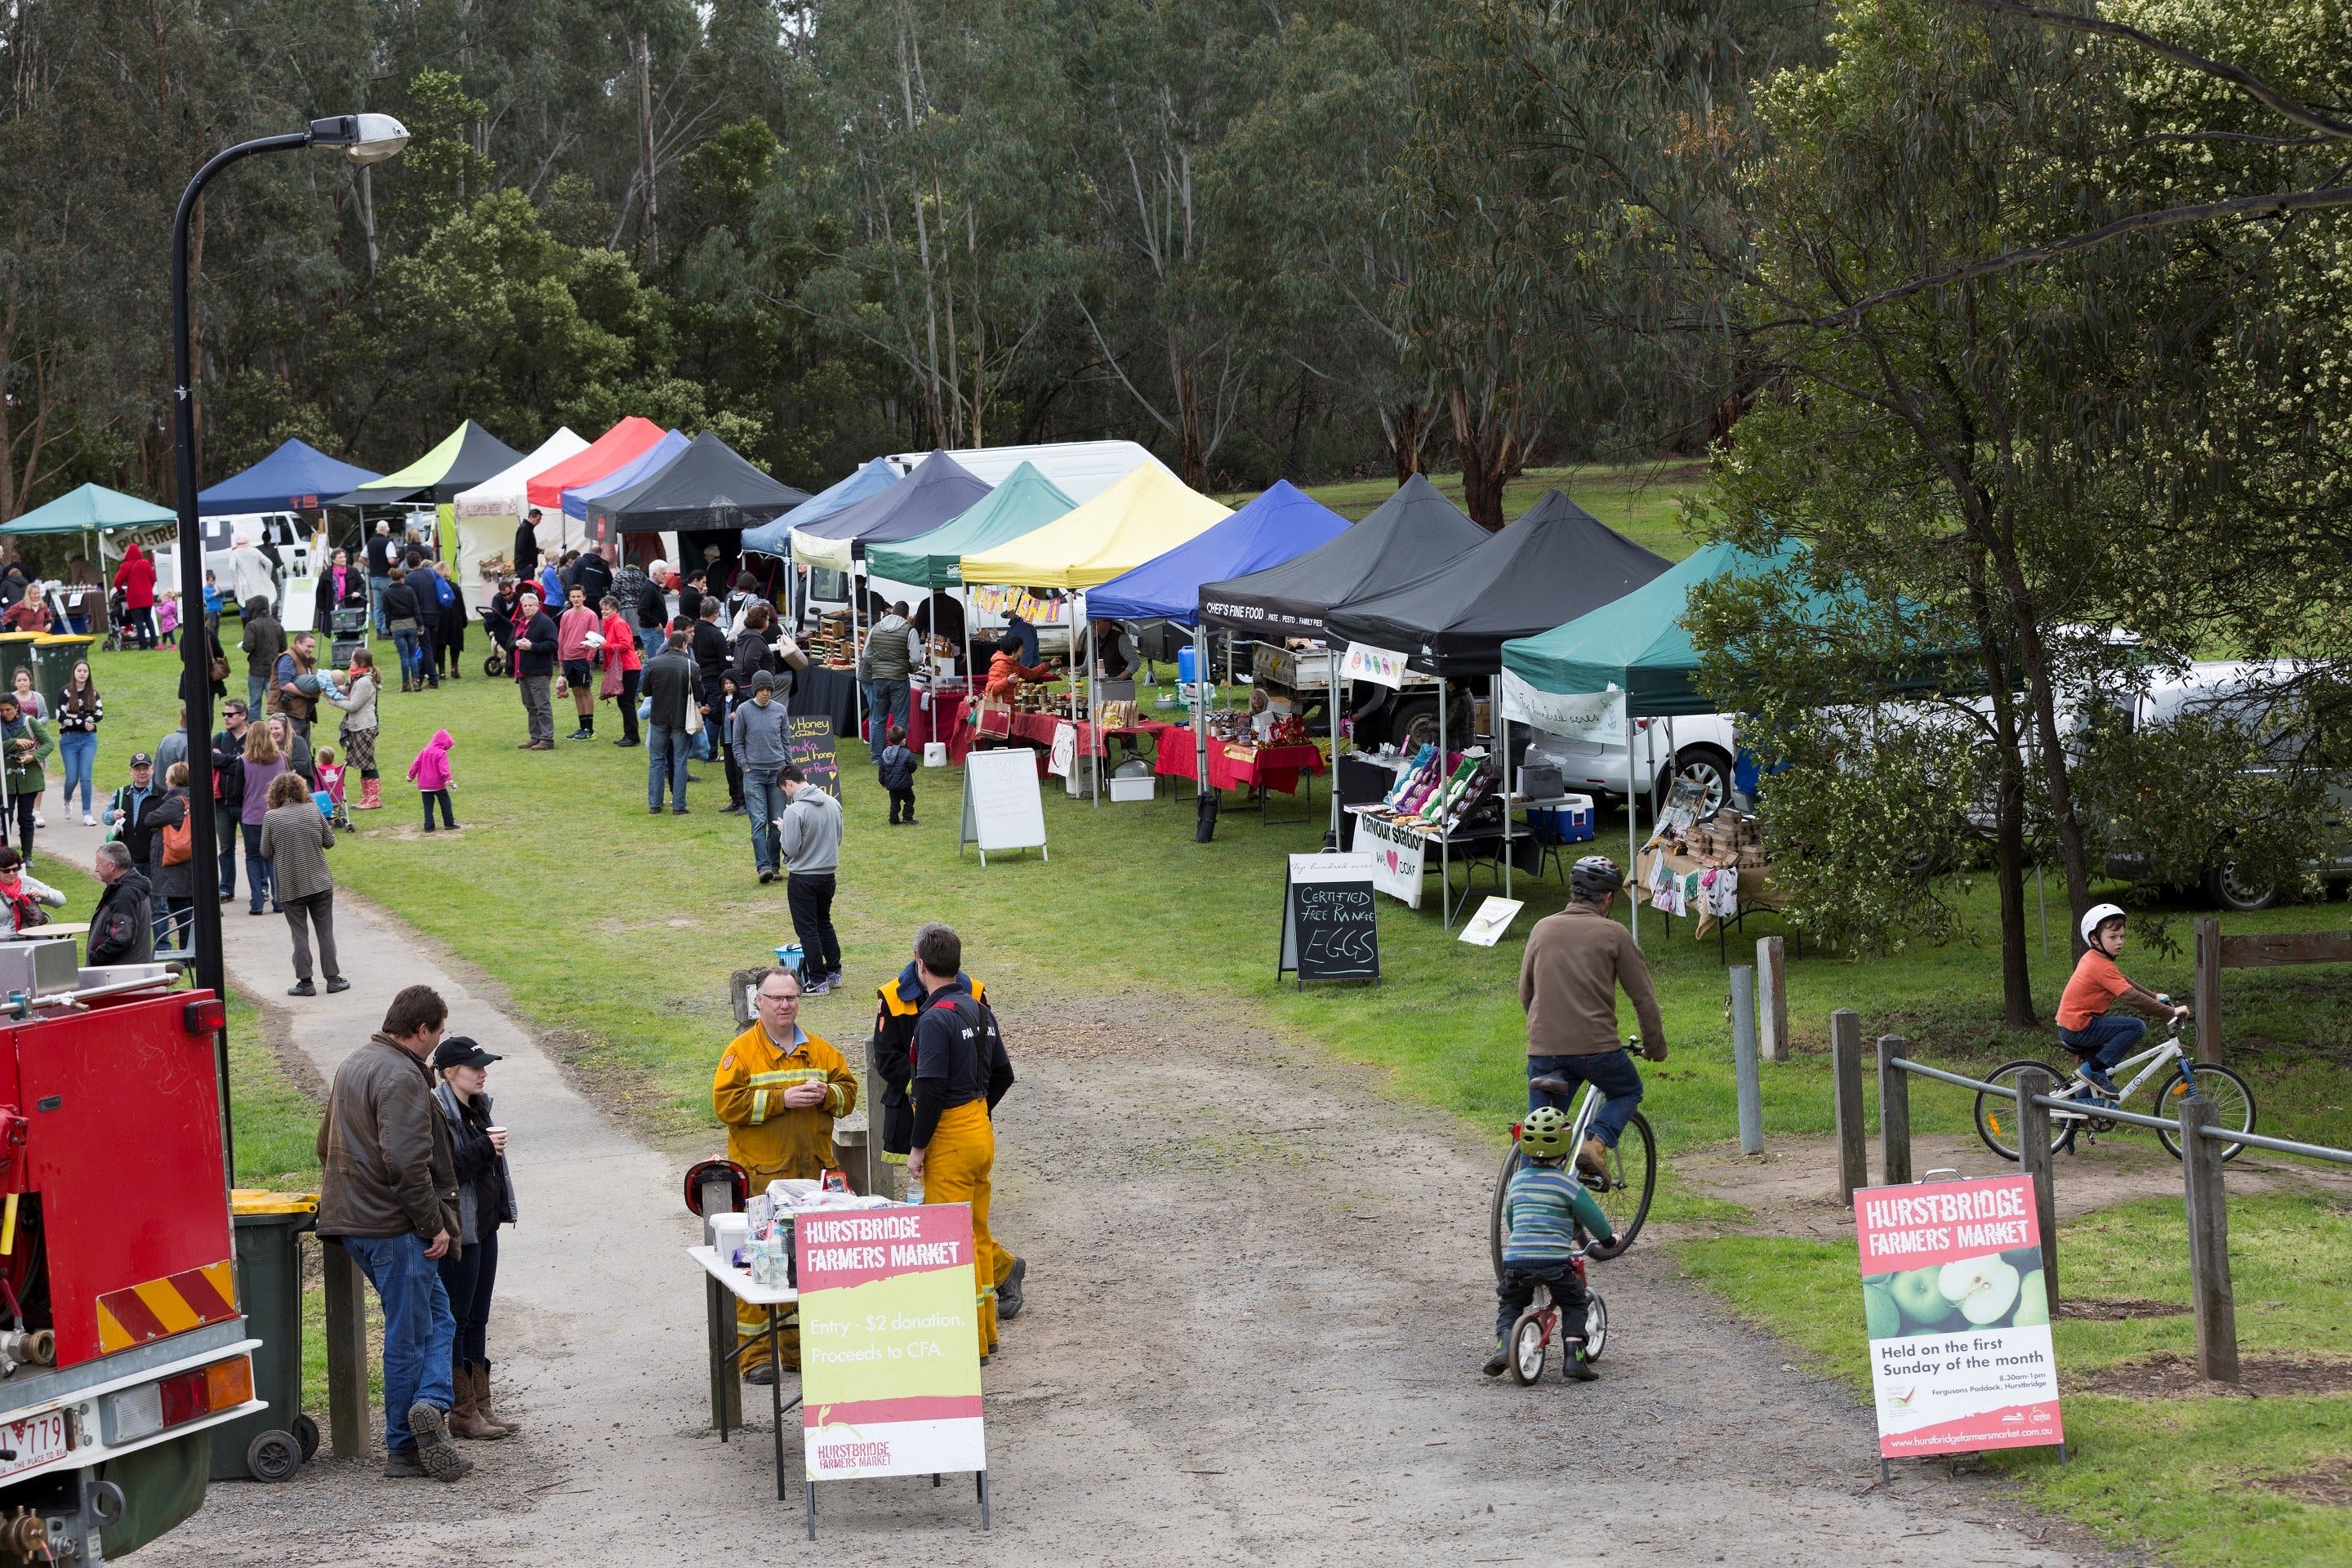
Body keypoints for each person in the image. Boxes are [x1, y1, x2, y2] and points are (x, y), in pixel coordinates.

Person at [317, 984, 471, 1482]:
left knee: (438, 1319)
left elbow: (325, 1146)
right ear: (422, 1030)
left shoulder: (354, 1064)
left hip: (353, 1220)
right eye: (439, 1032)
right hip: (395, 1226)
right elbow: (407, 1163)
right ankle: (406, 1445)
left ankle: (429, 1407)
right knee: (409, 1334)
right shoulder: (403, 1076)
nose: (438, 1041)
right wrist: (433, 1225)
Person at [711, 967, 856, 1382]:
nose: (785, 1004)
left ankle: (797, 1352)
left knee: (804, 1267)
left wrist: (827, 1095)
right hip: (762, 1180)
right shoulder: (740, 1053)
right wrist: (782, 1100)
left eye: (791, 997)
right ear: (759, 1002)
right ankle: (756, 1357)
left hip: (811, 1177)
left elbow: (848, 1094)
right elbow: (726, 1106)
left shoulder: (822, 1052)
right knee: (758, 1263)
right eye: (776, 998)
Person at [906, 921, 1019, 1359]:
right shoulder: (978, 1009)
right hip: (979, 1129)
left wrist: (917, 1149)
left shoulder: (935, 1020)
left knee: (952, 1242)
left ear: (920, 964)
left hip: (951, 1136)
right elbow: (1003, 1075)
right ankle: (986, 1334)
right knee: (975, 1230)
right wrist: (979, 1113)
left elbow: (930, 1089)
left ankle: (967, 1345)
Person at [1519, 855, 1668, 1178]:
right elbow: (1643, 998)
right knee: (1627, 1090)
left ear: (1574, 891)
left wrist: (1542, 1032)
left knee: (1540, 1136)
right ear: (1608, 897)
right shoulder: (1614, 934)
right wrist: (1655, 1048)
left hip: (1543, 1052)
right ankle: (1596, 1144)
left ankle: (1524, 1213)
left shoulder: (1542, 929)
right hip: (1597, 1050)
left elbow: (1526, 993)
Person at [429, 1036, 518, 1440]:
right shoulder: (437, 1112)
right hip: (458, 1229)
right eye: (474, 1067)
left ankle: (481, 1404)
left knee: (479, 1316)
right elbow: (443, 1173)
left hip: (484, 1224)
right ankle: (461, 1410)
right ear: (449, 1073)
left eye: (485, 1066)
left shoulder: (479, 1108)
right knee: (459, 1319)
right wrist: (485, 1147)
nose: (483, 1073)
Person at [1483, 1105, 1612, 1381]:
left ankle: (1504, 1346)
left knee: (1511, 1303)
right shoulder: (1567, 1184)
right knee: (1575, 1301)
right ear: (1566, 1148)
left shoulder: (1517, 1181)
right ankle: (1575, 1357)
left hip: (1516, 1261)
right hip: (1553, 1262)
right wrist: (1608, 1239)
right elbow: (1594, 1219)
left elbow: (1511, 1218)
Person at [2059, 904, 2188, 1102]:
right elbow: (2131, 996)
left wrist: (2154, 996)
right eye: (2113, 937)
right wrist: (2170, 1013)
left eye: (2122, 936)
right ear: (2095, 939)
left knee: (2106, 1070)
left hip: (2074, 1025)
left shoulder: (2097, 959)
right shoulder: (2100, 966)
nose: (2119, 942)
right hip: (2079, 1027)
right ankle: (2092, 1070)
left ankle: (2078, 1111)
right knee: (2136, 1027)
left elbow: (2124, 980)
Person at [257, 769, 345, 996]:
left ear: (274, 793)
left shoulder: (271, 817)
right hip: (319, 880)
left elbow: (265, 851)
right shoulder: (313, 809)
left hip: (290, 884)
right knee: (325, 931)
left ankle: (305, 982)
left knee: (299, 933)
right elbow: (330, 841)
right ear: (301, 789)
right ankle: (333, 979)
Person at [773, 764, 843, 992]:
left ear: (789, 783)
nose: (786, 794)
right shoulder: (833, 803)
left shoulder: (794, 811)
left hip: (803, 877)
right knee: (824, 922)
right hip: (828, 875)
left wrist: (785, 831)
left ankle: (817, 979)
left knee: (808, 930)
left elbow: (791, 849)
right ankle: (834, 972)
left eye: (785, 790)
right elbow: (838, 838)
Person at [731, 670, 791, 881]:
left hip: (777, 773)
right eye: (762, 689)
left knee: (777, 823)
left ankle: (774, 867)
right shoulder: (744, 710)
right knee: (758, 821)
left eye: (769, 689)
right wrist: (745, 766)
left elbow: (786, 741)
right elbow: (737, 742)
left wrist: (789, 769)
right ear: (755, 690)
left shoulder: (780, 710)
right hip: (754, 773)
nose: (766, 693)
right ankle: (763, 867)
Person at [640, 628, 702, 813]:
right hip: (682, 719)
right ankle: (679, 805)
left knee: (656, 761)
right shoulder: (691, 666)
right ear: (684, 645)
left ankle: (654, 804)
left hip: (659, 717)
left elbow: (646, 692)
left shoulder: (653, 663)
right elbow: (699, 694)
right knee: (680, 761)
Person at [142, 760, 194, 951]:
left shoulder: (175, 802)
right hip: (191, 867)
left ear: (174, 780)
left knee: (182, 917)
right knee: (191, 913)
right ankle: (195, 952)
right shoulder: (197, 798)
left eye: (167, 777)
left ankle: (188, 954)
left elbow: (150, 819)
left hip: (176, 870)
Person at [323, 648, 381, 811]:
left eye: (352, 659)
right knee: (363, 763)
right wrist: (330, 688)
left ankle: (374, 799)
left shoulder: (365, 681)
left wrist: (331, 700)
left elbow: (353, 705)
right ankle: (367, 797)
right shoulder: (357, 677)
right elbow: (349, 692)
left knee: (367, 763)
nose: (349, 662)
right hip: (356, 726)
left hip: (364, 726)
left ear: (361, 663)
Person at [239, 722, 287, 915]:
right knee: (274, 858)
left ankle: (257, 902)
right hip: (276, 814)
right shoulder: (281, 757)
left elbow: (237, 790)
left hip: (251, 816)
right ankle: (279, 901)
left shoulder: (243, 761)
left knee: (252, 858)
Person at [0, 693, 50, 861]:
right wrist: (14, 742)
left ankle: (27, 856)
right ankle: (5, 856)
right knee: (5, 818)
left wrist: (33, 757)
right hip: (5, 780)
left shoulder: (29, 721)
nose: (5, 713)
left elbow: (49, 743)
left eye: (8, 709)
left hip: (28, 778)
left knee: (26, 818)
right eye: (1, 710)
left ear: (17, 708)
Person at [86, 841, 153, 965]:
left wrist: (95, 957)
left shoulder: (125, 895)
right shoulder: (128, 890)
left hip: (121, 976)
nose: (96, 869)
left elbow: (121, 939)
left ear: (112, 866)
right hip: (129, 971)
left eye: (98, 864)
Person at [509, 588, 558, 751]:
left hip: (538, 671)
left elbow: (553, 645)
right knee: (530, 706)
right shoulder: (522, 622)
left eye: (531, 605)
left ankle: (547, 739)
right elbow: (510, 642)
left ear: (538, 606)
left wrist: (532, 646)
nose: (528, 608)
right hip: (523, 671)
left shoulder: (545, 622)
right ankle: (535, 737)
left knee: (542, 706)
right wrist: (516, 643)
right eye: (525, 606)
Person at [52, 661, 100, 827]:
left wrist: (75, 717)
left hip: (88, 739)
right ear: (74, 673)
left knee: (86, 776)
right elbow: (61, 717)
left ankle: (87, 813)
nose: (82, 673)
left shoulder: (92, 693)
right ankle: (67, 798)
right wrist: (83, 721)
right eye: (79, 670)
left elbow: (99, 714)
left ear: (88, 673)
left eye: (85, 671)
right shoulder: (64, 692)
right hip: (69, 739)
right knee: (72, 778)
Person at [555, 584, 600, 741]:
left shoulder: (591, 615)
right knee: (576, 691)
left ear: (584, 597)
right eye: (573, 596)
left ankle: (590, 729)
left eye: (578, 596)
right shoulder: (566, 615)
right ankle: (582, 727)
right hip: (568, 658)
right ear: (569, 598)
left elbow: (594, 638)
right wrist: (561, 661)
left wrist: (589, 659)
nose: (576, 599)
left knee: (585, 690)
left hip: (582, 658)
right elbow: (561, 639)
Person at [599, 594, 643, 747]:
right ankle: (629, 734)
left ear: (615, 610)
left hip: (628, 667)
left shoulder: (618, 623)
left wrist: (606, 646)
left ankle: (632, 736)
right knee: (624, 702)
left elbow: (626, 645)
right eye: (603, 609)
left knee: (627, 702)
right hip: (623, 667)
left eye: (607, 609)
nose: (604, 612)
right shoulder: (610, 623)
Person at [381, 568, 425, 693]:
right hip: (411, 624)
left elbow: (387, 612)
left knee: (403, 656)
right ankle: (416, 682)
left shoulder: (387, 592)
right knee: (412, 654)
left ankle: (405, 684)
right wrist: (420, 625)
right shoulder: (409, 590)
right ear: (402, 578)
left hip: (397, 626)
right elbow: (416, 609)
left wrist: (388, 627)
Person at [0, 846, 64, 933]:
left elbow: (62, 900)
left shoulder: (28, 883)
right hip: (4, 941)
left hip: (32, 935)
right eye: (6, 871)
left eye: (15, 869)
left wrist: (43, 894)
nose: (11, 873)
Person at [240, 595, 283, 717]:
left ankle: (256, 731)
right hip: (273, 669)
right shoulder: (277, 625)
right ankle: (278, 729)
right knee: (275, 703)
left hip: (256, 670)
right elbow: (283, 647)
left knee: (255, 703)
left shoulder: (252, 625)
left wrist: (244, 644)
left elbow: (248, 647)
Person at [408, 728, 458, 832]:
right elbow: (444, 769)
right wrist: (450, 780)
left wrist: (410, 776)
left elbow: (415, 764)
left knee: (428, 806)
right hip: (438, 785)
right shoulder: (441, 753)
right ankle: (449, 823)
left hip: (424, 785)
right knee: (445, 803)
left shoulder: (424, 751)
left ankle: (429, 826)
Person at [111, 541, 158, 649]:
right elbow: (153, 579)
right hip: (147, 597)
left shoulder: (125, 566)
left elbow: (117, 582)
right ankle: (154, 642)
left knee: (138, 621)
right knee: (148, 619)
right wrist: (148, 588)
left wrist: (121, 591)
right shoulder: (146, 563)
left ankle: (143, 645)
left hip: (135, 598)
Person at [983, 632, 1054, 702]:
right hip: (997, 708)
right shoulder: (1000, 665)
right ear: (1014, 648)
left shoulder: (1014, 665)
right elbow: (993, 690)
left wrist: (1050, 664)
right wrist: (1007, 681)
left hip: (1007, 706)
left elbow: (1031, 674)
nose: (1024, 648)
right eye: (1022, 646)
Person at [431, 561, 466, 681]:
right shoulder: (455, 587)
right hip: (455, 619)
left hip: (440, 620)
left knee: (440, 646)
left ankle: (441, 672)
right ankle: (454, 668)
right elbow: (461, 605)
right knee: (455, 645)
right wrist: (464, 619)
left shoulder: (435, 587)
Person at [228, 532, 277, 620]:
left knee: (245, 610)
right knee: (262, 607)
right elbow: (269, 563)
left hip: (244, 586)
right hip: (259, 585)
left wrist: (236, 581)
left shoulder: (234, 553)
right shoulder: (255, 551)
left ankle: (249, 629)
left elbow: (232, 568)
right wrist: (266, 577)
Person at [877, 723, 917, 826]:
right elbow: (913, 766)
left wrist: (882, 782)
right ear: (903, 740)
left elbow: (881, 770)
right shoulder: (906, 753)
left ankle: (893, 819)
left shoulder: (884, 754)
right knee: (910, 799)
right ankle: (907, 817)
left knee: (895, 802)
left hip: (892, 785)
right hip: (905, 784)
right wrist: (909, 771)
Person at [268, 710, 316, 791]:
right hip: (277, 788)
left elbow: (300, 766)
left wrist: (274, 769)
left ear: (285, 729)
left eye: (277, 728)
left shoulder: (298, 741)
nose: (273, 732)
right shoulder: (268, 745)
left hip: (299, 788)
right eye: (271, 729)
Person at [367, 519, 399, 637]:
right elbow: (391, 560)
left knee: (378, 606)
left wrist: (372, 566)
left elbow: (361, 558)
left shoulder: (370, 542)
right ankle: (385, 630)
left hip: (373, 578)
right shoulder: (388, 542)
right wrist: (397, 560)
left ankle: (378, 631)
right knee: (388, 605)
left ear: (377, 529)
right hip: (385, 578)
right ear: (388, 529)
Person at [635, 559, 670, 657]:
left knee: (655, 659)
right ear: (654, 574)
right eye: (663, 573)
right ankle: (645, 674)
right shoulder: (649, 589)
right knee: (654, 660)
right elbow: (642, 610)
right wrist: (656, 623)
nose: (666, 576)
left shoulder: (654, 587)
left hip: (654, 630)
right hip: (651, 630)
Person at [572, 545, 612, 614]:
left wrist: (569, 597)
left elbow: (572, 580)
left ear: (589, 551)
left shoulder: (579, 562)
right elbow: (611, 584)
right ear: (599, 553)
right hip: (597, 601)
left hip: (581, 599)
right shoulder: (604, 567)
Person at [512, 510, 542, 586]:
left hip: (526, 566)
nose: (539, 522)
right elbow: (521, 547)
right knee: (526, 588)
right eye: (538, 520)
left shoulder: (527, 528)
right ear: (531, 517)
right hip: (525, 567)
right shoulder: (525, 528)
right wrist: (528, 564)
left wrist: (537, 550)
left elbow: (527, 547)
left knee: (527, 587)